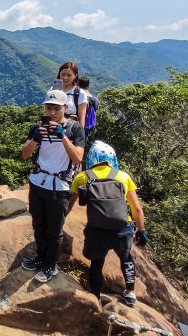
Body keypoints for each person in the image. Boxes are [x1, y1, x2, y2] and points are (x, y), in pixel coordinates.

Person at [67, 141, 147, 307]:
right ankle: (130, 293)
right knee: (126, 258)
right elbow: (137, 209)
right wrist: (141, 230)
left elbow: (70, 203)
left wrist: (61, 218)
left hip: (97, 229)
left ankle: (95, 298)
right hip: (122, 229)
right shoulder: (122, 176)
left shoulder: (82, 177)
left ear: (91, 158)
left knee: (97, 263)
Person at [21, 90, 85, 282]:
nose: (52, 111)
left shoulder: (75, 129)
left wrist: (62, 136)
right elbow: (24, 155)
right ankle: (40, 258)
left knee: (55, 230)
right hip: (38, 182)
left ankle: (51, 265)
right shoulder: (38, 127)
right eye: (49, 107)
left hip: (60, 187)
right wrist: (35, 139)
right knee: (38, 224)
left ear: (65, 107)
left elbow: (77, 158)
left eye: (56, 107)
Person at [56, 62, 88, 127]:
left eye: (69, 75)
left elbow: (81, 118)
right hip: (52, 128)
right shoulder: (53, 90)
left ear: (75, 76)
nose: (65, 78)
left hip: (70, 130)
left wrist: (80, 135)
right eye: (63, 74)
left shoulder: (80, 93)